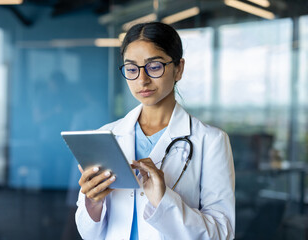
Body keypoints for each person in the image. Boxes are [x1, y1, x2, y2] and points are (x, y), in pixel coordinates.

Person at [75, 22, 235, 240]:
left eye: (155, 66)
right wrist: (93, 202)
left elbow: (221, 233)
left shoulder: (211, 141)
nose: (142, 79)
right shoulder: (106, 135)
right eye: (132, 69)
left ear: (178, 68)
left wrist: (164, 200)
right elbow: (88, 234)